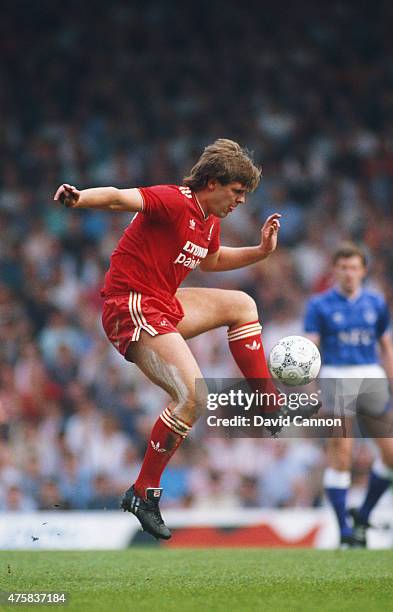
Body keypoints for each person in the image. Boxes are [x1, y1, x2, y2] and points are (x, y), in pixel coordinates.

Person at [54, 139, 315, 540]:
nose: (241, 201)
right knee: (195, 396)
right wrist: (78, 199)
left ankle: (267, 402)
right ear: (212, 182)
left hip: (163, 302)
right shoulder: (175, 200)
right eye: (238, 191)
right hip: (131, 304)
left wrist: (261, 252)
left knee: (242, 305)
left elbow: (210, 261)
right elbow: (119, 198)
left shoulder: (210, 219)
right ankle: (143, 492)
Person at [303, 242, 393, 547]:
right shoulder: (319, 305)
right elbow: (311, 348)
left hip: (371, 377)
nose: (348, 273)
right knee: (342, 456)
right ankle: (344, 532)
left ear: (363, 270)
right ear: (335, 270)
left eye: (353, 267)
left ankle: (363, 513)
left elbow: (387, 348)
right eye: (343, 267)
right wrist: (311, 391)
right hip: (336, 376)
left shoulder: (376, 303)